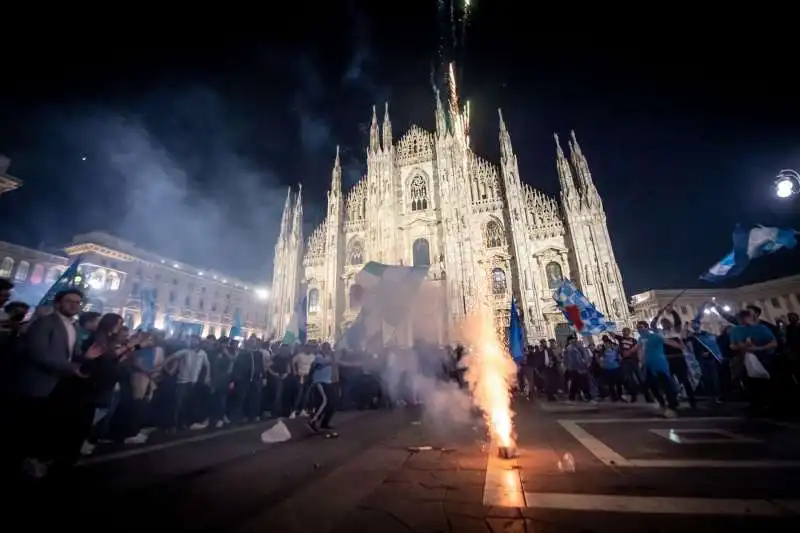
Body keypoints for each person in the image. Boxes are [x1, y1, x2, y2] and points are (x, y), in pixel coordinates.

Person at [636, 320, 680, 418]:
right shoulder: (640, 339)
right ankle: (662, 405)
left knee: (666, 386)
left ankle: (672, 407)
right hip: (648, 366)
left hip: (659, 365)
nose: (639, 330)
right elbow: (638, 349)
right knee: (651, 387)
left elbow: (668, 341)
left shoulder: (654, 336)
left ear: (647, 328)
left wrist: (681, 346)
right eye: (638, 328)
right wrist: (640, 361)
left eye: (641, 327)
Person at [307, 350, 336, 433]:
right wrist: (332, 360)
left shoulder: (329, 357)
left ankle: (324, 422)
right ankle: (313, 420)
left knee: (332, 403)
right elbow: (320, 365)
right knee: (324, 401)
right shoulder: (318, 357)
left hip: (328, 382)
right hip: (319, 382)